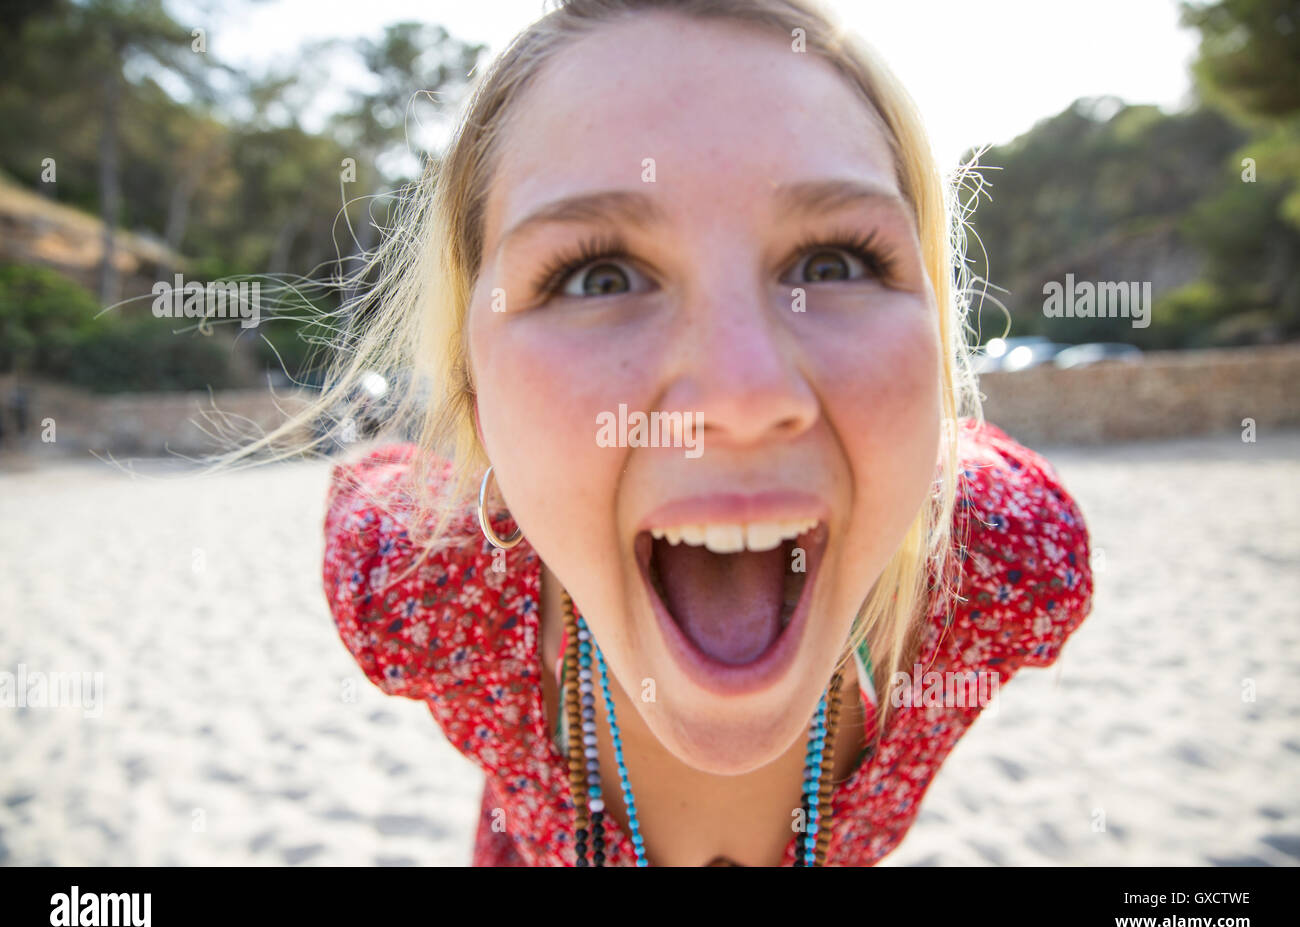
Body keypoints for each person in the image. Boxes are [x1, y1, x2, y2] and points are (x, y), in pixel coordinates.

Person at [311, 0, 1095, 866]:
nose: (744, 396)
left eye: (832, 263)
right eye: (597, 276)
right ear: (472, 388)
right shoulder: (423, 581)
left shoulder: (1004, 566)